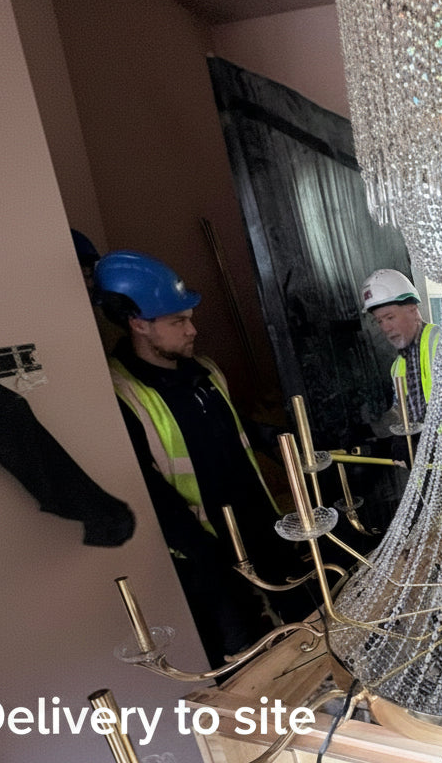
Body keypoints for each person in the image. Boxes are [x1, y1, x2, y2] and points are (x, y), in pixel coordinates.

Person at [96, 250, 297, 665]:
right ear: (138, 323)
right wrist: (203, 551)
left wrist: (276, 438)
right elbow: (147, 488)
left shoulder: (203, 371)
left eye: (189, 317)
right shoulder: (124, 395)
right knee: (250, 658)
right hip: (208, 552)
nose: (192, 330)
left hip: (261, 526)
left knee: (302, 623)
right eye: (177, 321)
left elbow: (231, 432)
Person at [360, 269, 440, 448]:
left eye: (390, 317)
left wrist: (420, 441)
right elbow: (401, 414)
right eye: (379, 321)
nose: (385, 328)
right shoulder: (398, 366)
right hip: (435, 465)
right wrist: (371, 431)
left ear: (413, 310)